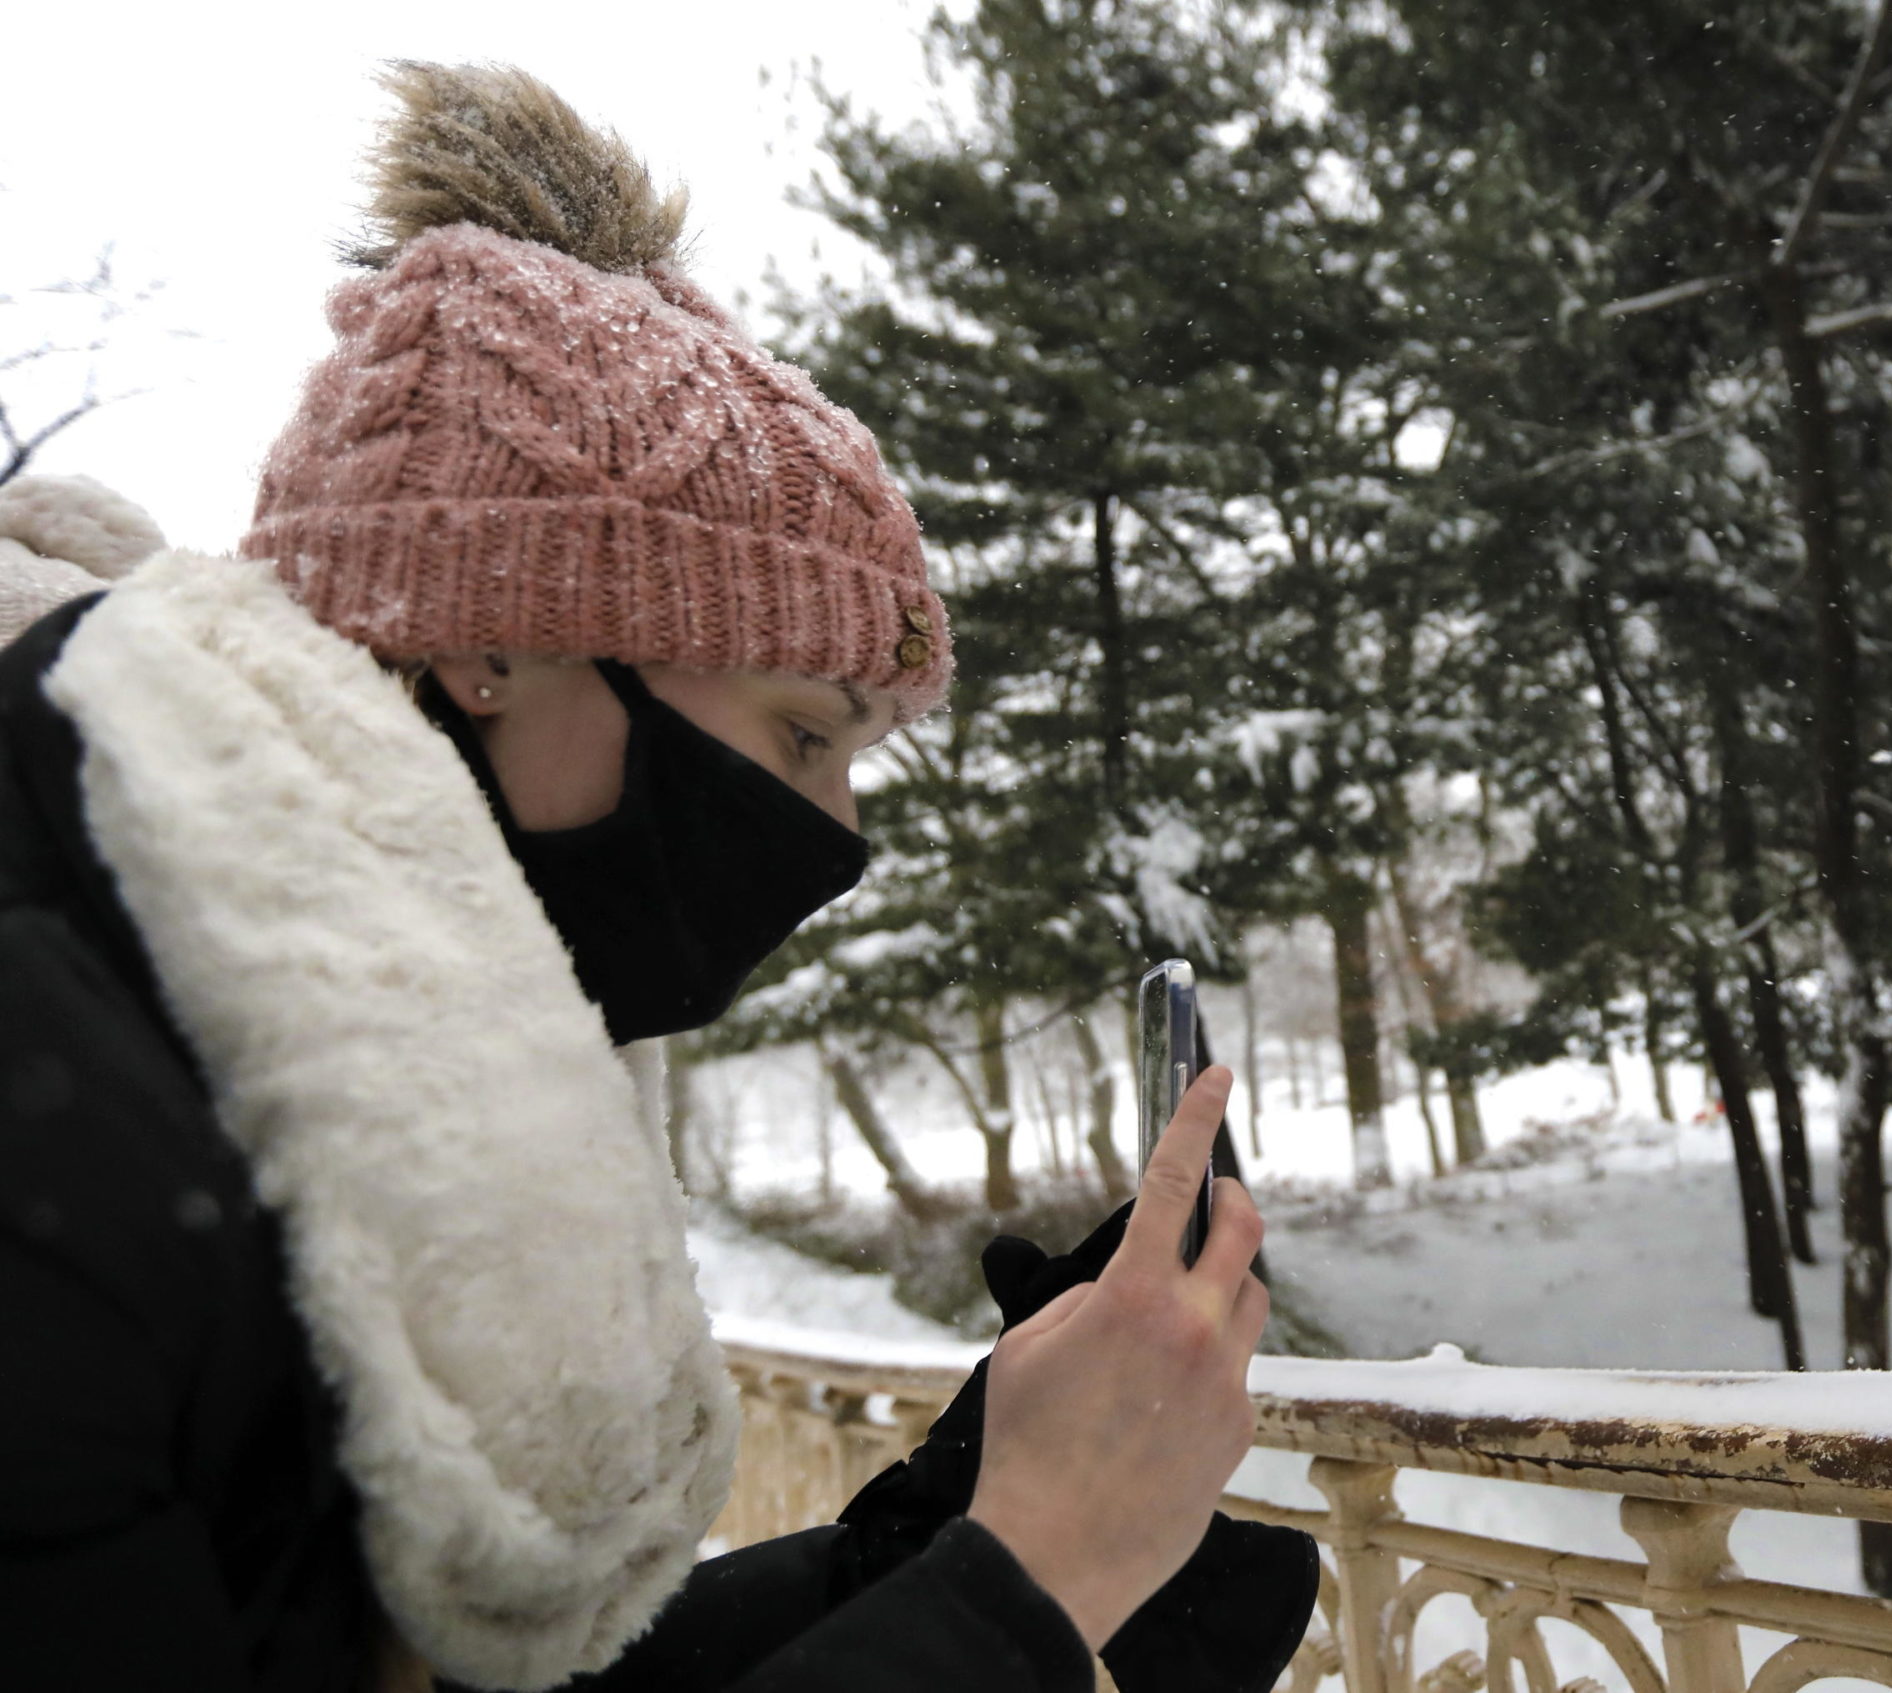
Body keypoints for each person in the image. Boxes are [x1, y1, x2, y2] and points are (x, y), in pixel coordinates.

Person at [0, 62, 1312, 1693]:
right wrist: (1032, 1576)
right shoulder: (56, 1112)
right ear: (493, 639)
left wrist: (928, 1540)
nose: (835, 831)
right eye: (803, 732)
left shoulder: (306, 1076)